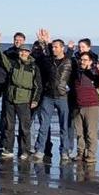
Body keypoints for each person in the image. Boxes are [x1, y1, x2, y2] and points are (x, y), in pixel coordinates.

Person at [0, 30, 43, 160]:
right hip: (10, 98)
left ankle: (25, 150)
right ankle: (8, 149)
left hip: (24, 100)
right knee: (9, 126)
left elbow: (38, 86)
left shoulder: (34, 67)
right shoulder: (13, 64)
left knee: (24, 127)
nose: (23, 53)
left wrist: (35, 100)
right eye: (21, 51)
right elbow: (2, 58)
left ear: (29, 53)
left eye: (26, 51)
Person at [32, 29, 71, 164]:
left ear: (62, 48)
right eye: (52, 47)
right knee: (44, 125)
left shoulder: (69, 61)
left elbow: (76, 74)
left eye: (56, 47)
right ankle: (40, 150)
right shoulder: (48, 60)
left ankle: (64, 151)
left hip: (62, 96)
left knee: (64, 126)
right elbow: (44, 56)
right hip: (48, 96)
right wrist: (45, 42)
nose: (54, 49)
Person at [70, 52, 99, 167]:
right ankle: (80, 153)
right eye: (81, 60)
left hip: (91, 106)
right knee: (79, 132)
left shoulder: (94, 73)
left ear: (90, 61)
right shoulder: (77, 72)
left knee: (90, 133)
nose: (82, 62)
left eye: (85, 60)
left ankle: (91, 155)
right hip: (78, 106)